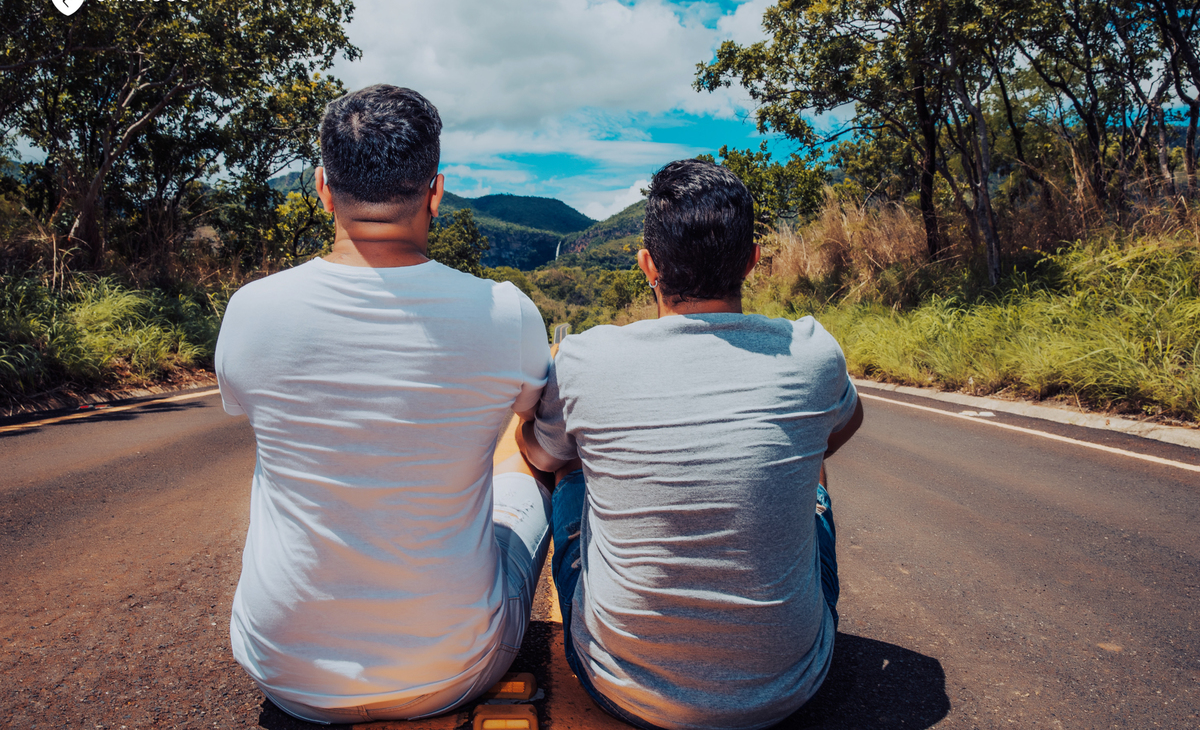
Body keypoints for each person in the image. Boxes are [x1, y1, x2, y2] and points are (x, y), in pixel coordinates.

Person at [214, 84, 553, 724]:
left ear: (322, 187)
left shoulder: (252, 311)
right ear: (436, 190)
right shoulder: (506, 312)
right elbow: (537, 425)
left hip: (287, 673)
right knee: (524, 483)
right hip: (455, 669)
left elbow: (240, 403)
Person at [516, 158, 864, 730]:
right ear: (752, 261)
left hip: (623, 686)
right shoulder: (812, 352)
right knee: (813, 471)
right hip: (791, 688)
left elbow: (538, 456)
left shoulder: (585, 359)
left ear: (648, 265)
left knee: (572, 468)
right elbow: (841, 430)